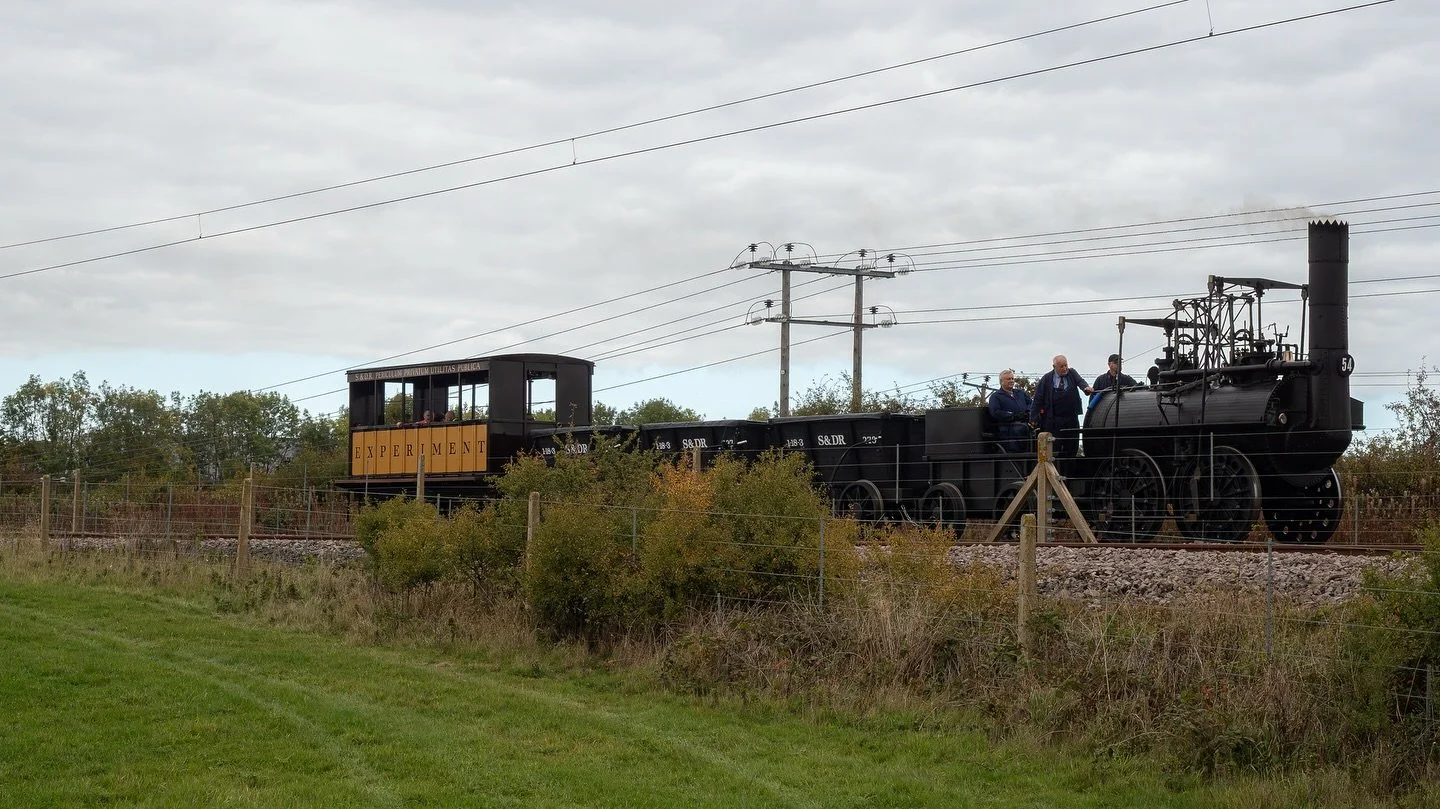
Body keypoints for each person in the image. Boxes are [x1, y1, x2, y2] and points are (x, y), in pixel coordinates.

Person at [1029, 354, 1093, 461]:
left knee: (1072, 446)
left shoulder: (1072, 373)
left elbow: (1080, 382)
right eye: (1061, 366)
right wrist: (1033, 418)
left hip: (1071, 418)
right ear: (1054, 367)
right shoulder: (1047, 379)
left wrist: (1086, 388)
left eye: (1066, 365)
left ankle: (1070, 473)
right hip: (1054, 420)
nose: (1064, 368)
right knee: (1055, 447)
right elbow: (1038, 399)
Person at [986, 369, 1033, 452]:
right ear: (1001, 381)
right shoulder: (996, 396)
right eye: (1008, 379)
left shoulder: (1020, 393)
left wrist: (1028, 412)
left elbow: (1031, 403)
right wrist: (1013, 415)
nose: (1011, 381)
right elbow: (995, 412)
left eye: (1012, 379)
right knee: (1019, 429)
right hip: (1008, 427)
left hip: (1025, 422)